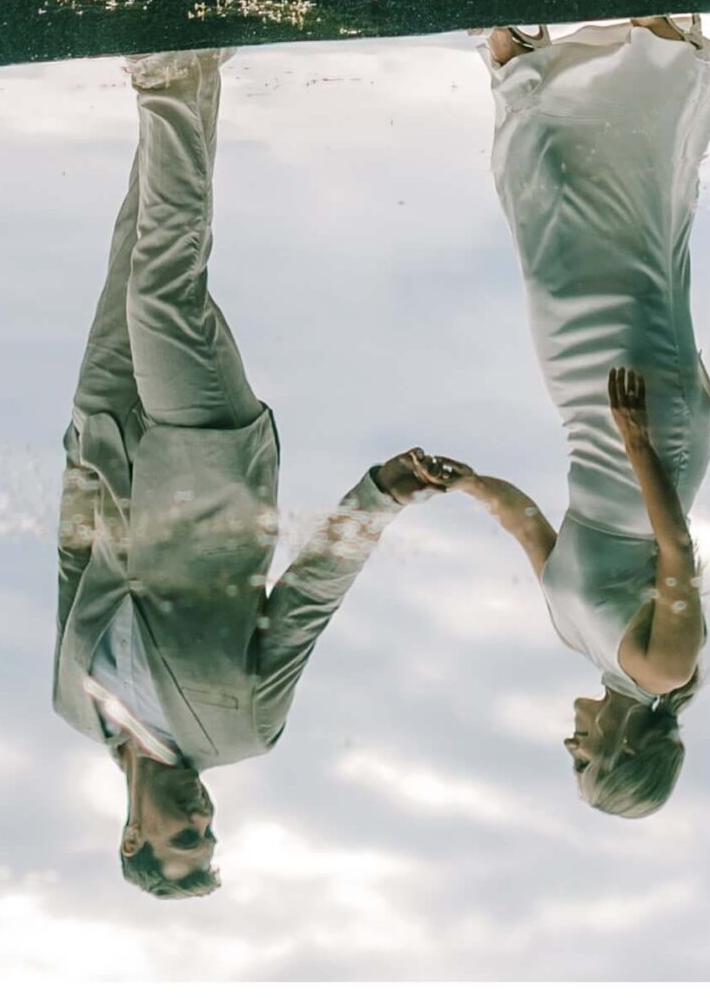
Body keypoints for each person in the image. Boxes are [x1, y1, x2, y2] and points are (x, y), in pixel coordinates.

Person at [54, 47, 462, 895]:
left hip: (108, 443)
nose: (204, 824)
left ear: (133, 835)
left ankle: (194, 67)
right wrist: (377, 497)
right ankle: (168, 72)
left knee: (135, 252)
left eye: (184, 841)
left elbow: (73, 560)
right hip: (209, 457)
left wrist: (82, 461)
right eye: (211, 840)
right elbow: (306, 602)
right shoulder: (246, 731)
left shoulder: (71, 704)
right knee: (165, 291)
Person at [451, 15, 710, 817]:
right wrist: (640, 441)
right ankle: (645, 48)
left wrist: (464, 483)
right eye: (584, 763)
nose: (570, 748)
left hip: (596, 435)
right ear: (620, 754)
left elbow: (528, 528)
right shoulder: (662, 671)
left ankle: (524, 60)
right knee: (612, 254)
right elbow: (676, 546)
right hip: (645, 449)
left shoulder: (577, 641)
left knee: (549, 252)